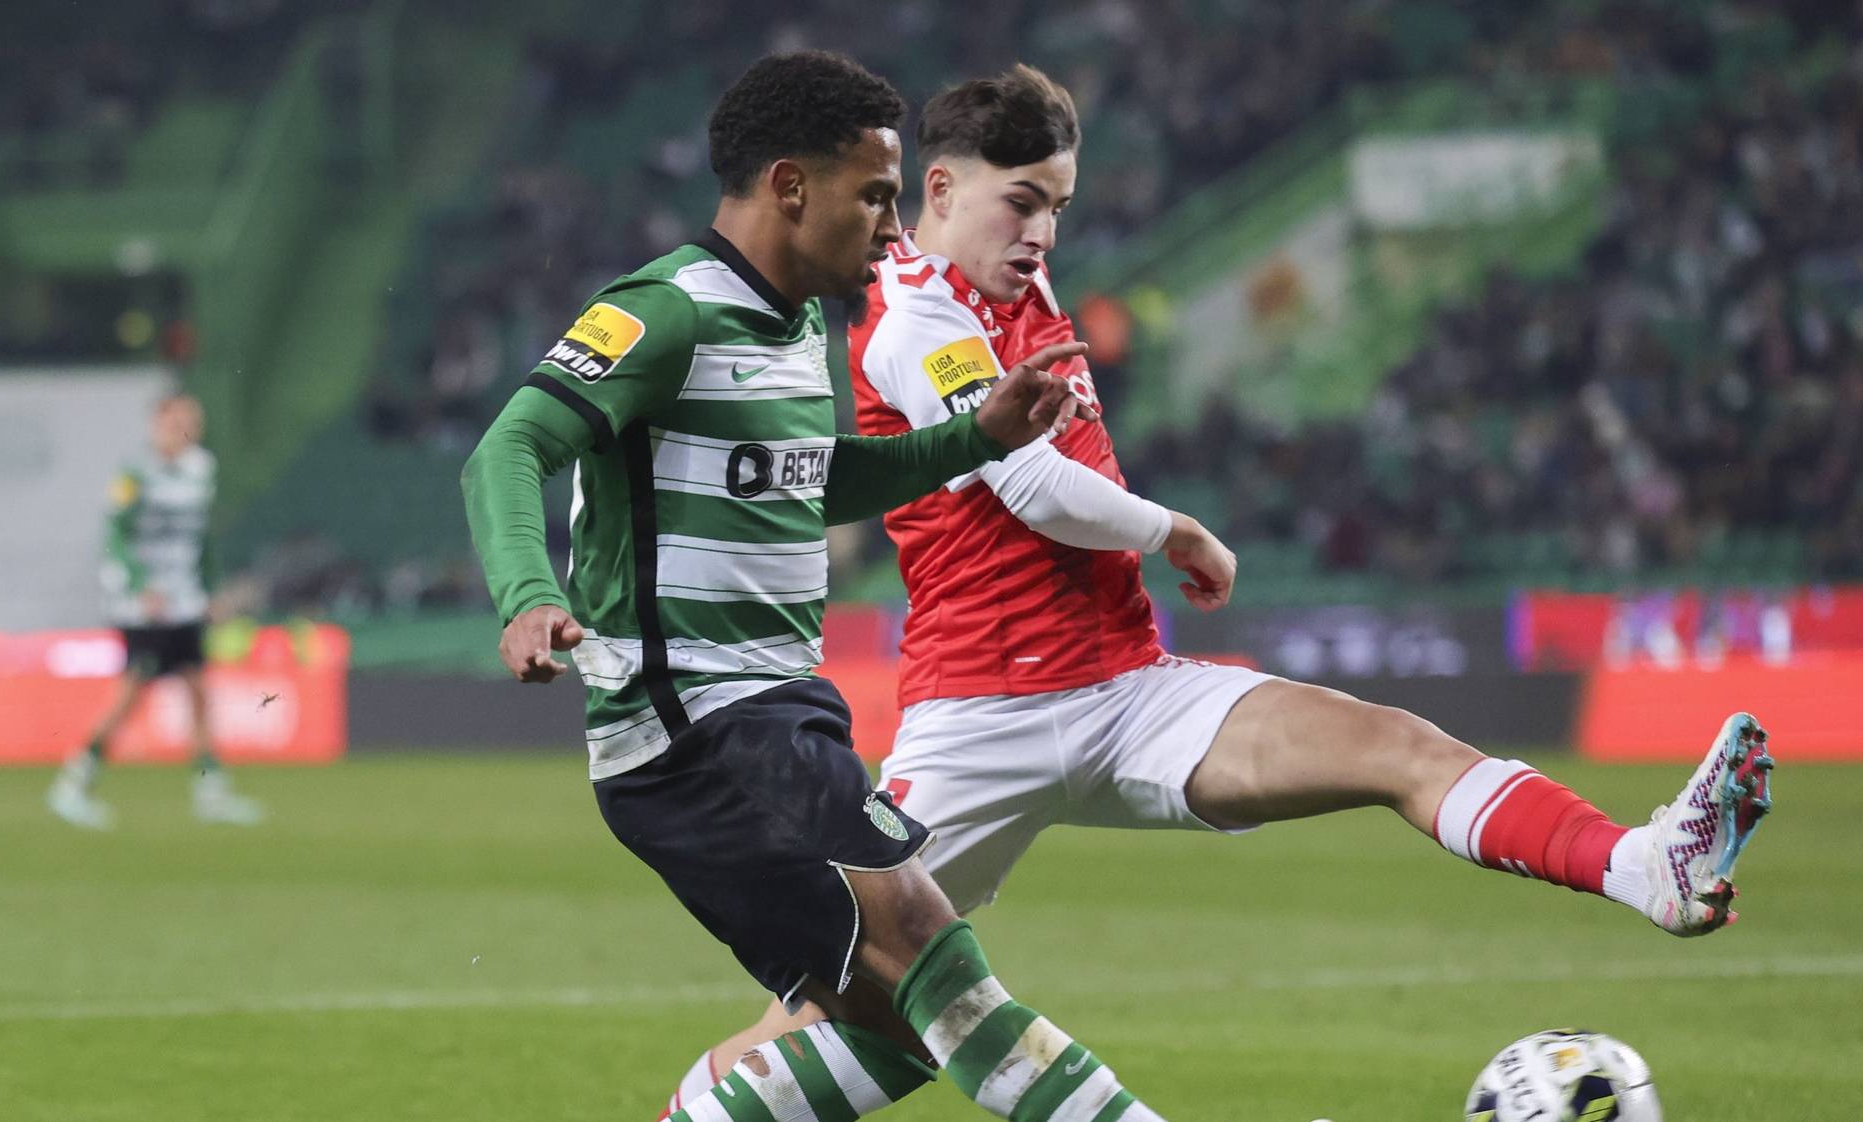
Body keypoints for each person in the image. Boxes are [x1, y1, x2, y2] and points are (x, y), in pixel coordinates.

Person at [655, 64, 1779, 1115]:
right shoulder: (912, 313)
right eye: (1020, 202)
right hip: (977, 721)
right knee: (872, 1014)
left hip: (1127, 690)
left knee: (1393, 745)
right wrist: (1174, 528)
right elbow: (1033, 487)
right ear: (938, 188)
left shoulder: (1025, 286)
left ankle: (1648, 867)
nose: (1042, 232)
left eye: (1056, 205)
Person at [464, 50, 1192, 1122]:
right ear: (790, 187)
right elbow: (509, 449)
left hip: (782, 710)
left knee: (884, 1018)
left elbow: (819, 478)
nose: (895, 230)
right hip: (695, 726)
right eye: (876, 196)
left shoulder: (805, 324)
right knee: (930, 958)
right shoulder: (665, 312)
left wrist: (968, 438)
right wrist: (528, 593)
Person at [46, 393, 265, 829]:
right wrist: (138, 583)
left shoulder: (201, 470)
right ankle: (73, 782)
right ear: (157, 424)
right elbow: (115, 535)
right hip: (143, 605)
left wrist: (210, 590)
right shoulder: (135, 473)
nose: (187, 429)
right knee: (131, 694)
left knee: (199, 690)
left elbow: (201, 539)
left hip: (183, 600)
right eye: (178, 421)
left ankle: (211, 791)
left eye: (193, 422)